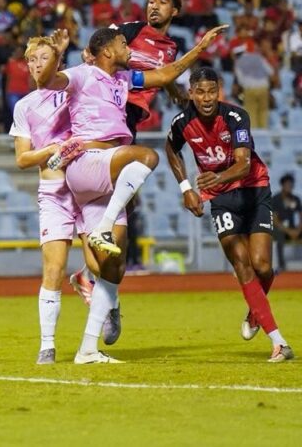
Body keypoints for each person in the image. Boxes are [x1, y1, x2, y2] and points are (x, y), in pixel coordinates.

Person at [41, 23, 227, 363]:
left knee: (114, 267)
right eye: (124, 44)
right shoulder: (82, 74)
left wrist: (200, 48)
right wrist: (55, 53)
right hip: (88, 162)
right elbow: (47, 82)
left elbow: (167, 73)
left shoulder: (124, 80)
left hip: (110, 174)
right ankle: (102, 228)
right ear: (108, 50)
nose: (130, 49)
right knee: (148, 155)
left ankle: (87, 349)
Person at [166, 67, 293, 362]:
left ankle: (254, 312)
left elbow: (244, 164)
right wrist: (186, 187)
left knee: (263, 267)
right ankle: (278, 343)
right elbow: (171, 149)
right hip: (222, 201)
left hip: (254, 191)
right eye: (200, 92)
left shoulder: (236, 117)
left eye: (212, 91)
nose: (207, 98)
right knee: (242, 265)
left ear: (219, 90)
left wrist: (216, 178)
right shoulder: (182, 122)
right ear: (191, 93)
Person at [71, 0, 185, 295]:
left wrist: (175, 91)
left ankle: (88, 270)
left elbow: (160, 72)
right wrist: (88, 54)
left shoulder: (171, 47)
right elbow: (97, 47)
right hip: (113, 110)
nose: (154, 6)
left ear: (174, 11)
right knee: (123, 188)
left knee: (128, 200)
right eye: (151, 1)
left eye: (162, 2)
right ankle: (91, 246)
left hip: (131, 117)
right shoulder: (129, 30)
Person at [10, 36, 99, 364]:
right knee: (53, 268)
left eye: (42, 58)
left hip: (84, 187)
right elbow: (22, 159)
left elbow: (92, 76)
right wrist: (49, 151)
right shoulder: (24, 106)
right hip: (53, 194)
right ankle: (47, 345)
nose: (35, 65)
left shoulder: (72, 91)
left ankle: (89, 284)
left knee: (98, 263)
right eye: (31, 59)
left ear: (57, 62)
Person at [271, 174, 301, 272]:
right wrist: (289, 232)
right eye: (287, 184)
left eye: (291, 185)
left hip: (293, 229)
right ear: (282, 185)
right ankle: (281, 266)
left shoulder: (295, 199)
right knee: (279, 234)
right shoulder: (275, 199)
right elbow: (275, 221)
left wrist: (298, 230)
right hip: (280, 229)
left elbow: (301, 216)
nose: (289, 187)